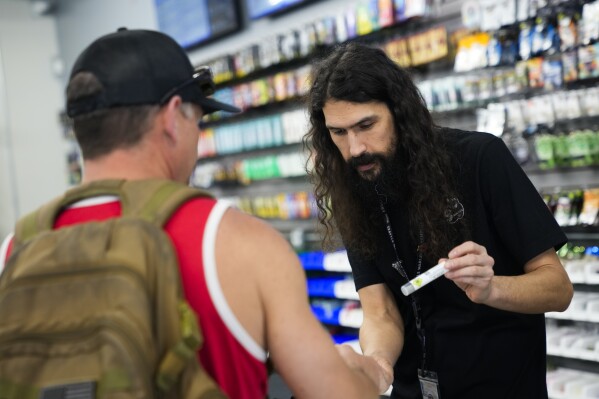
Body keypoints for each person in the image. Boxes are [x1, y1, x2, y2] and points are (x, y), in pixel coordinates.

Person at [0, 29, 386, 399]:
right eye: (197, 120)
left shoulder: (15, 250)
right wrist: (368, 373)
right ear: (172, 117)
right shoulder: (239, 243)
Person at [303, 41, 574, 399]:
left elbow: (558, 289)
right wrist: (379, 364)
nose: (355, 149)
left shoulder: (480, 159)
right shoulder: (353, 189)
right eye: (339, 132)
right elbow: (380, 310)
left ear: (399, 112)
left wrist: (492, 289)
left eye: (366, 125)